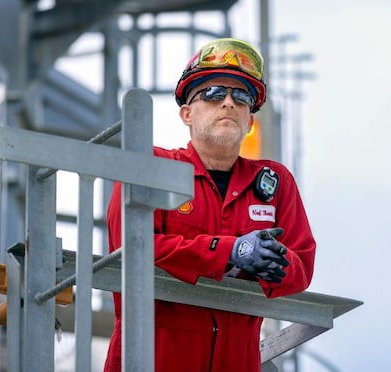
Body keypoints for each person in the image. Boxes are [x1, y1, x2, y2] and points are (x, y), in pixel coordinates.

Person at [103, 38, 316, 371]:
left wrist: (278, 263)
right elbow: (129, 247)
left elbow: (301, 265)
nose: (228, 103)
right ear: (187, 114)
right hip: (153, 354)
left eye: (241, 97)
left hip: (238, 358)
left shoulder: (275, 182)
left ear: (249, 121)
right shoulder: (152, 164)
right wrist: (227, 251)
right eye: (214, 94)